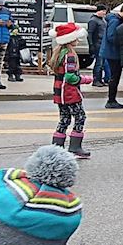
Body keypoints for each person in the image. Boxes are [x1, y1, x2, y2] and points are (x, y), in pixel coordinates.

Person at [49, 22, 91, 159]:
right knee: (80, 117)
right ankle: (75, 147)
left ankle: (57, 148)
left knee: (64, 119)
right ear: (69, 39)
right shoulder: (70, 55)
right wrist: (85, 79)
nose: (78, 40)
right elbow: (70, 77)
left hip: (59, 93)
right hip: (69, 93)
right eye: (76, 38)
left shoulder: (58, 53)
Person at [100, 5, 123, 110]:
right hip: (113, 53)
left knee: (114, 76)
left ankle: (112, 99)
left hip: (110, 52)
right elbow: (111, 37)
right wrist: (122, 42)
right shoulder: (115, 21)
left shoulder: (114, 19)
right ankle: (111, 100)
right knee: (115, 76)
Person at [87, 5, 109, 87]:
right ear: (98, 11)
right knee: (98, 63)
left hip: (103, 44)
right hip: (97, 44)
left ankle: (100, 79)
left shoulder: (103, 20)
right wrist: (91, 45)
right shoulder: (93, 20)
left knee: (102, 63)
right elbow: (90, 33)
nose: (104, 13)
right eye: (103, 11)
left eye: (105, 11)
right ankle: (96, 80)